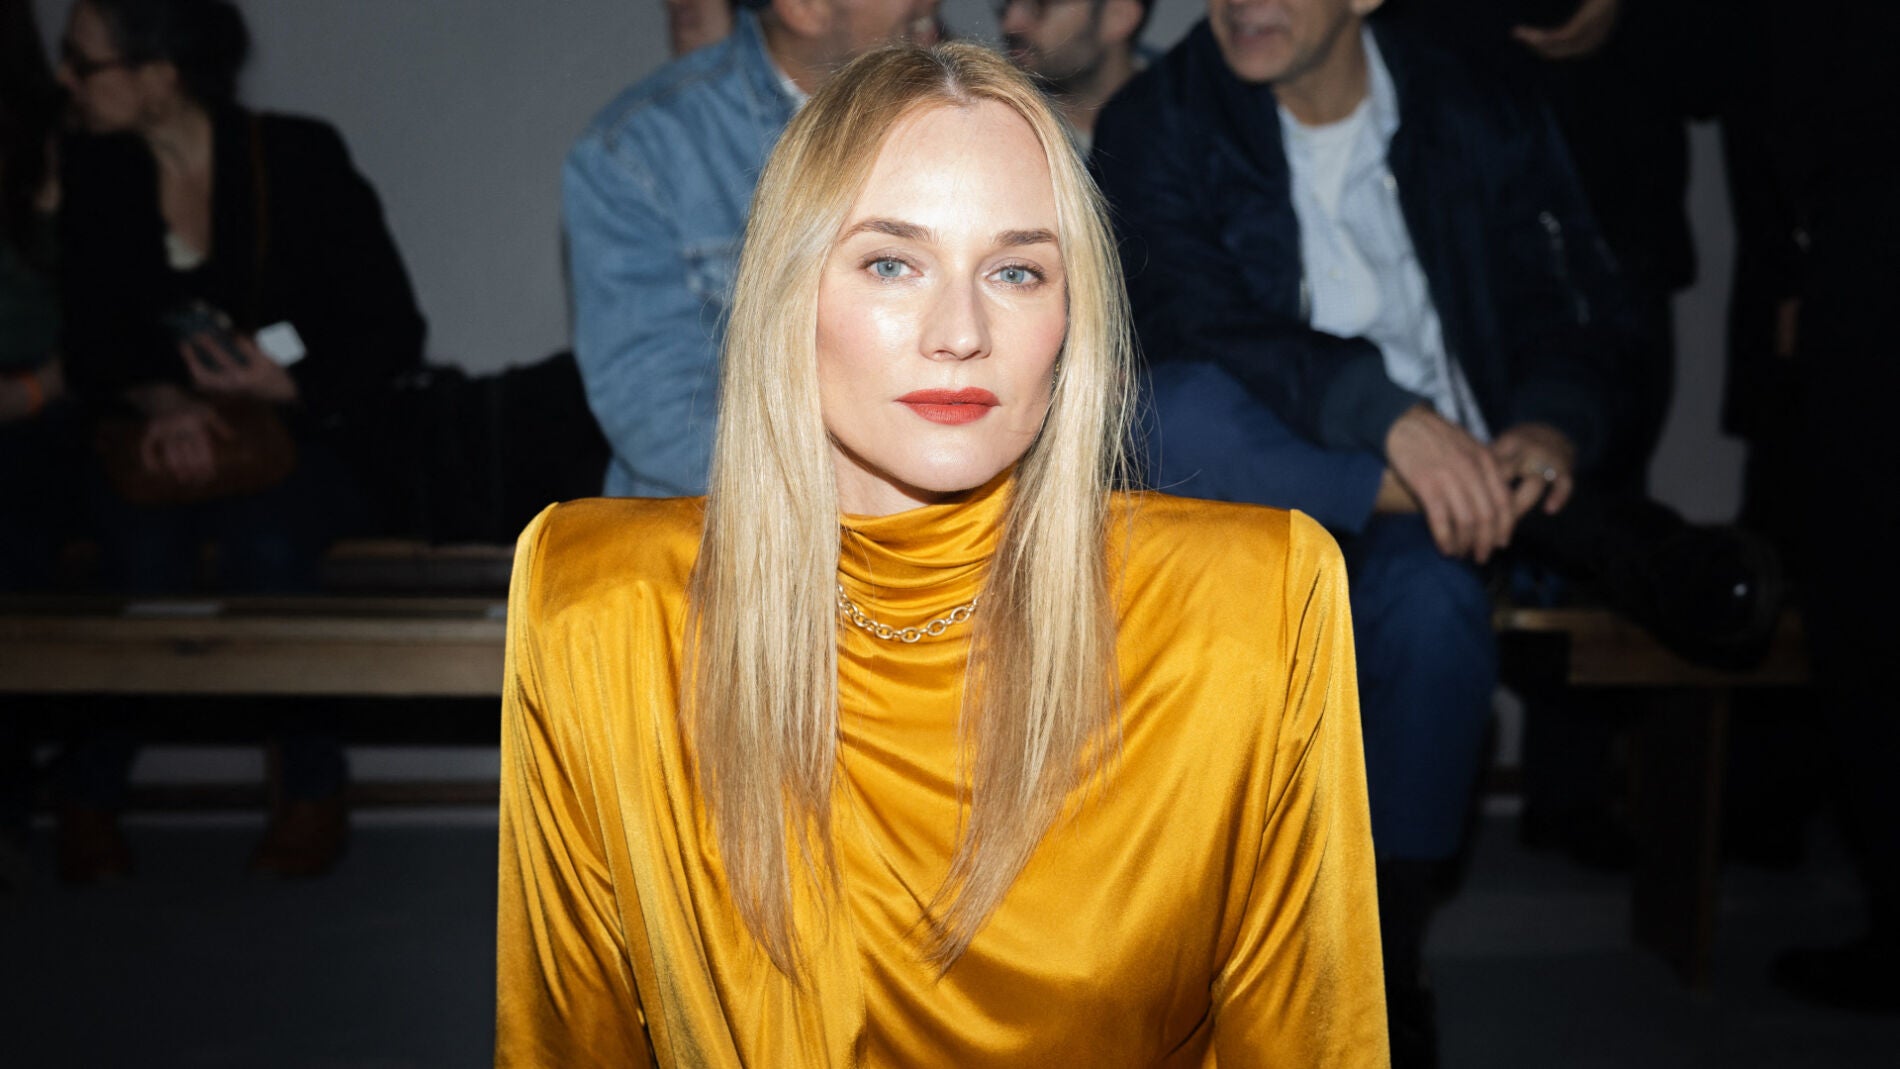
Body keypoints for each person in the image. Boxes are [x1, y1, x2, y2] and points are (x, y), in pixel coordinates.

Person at [498, 42, 1387, 1065]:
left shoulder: (1252, 612)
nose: (960, 332)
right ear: (791, 289)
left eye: (1016, 271)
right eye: (891, 263)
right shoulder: (600, 609)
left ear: (1072, 316)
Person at [1090, 0, 1777, 1062]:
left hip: (1452, 486)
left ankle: (1387, 955)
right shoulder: (1163, 116)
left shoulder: (1471, 99)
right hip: (1265, 486)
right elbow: (1190, 316)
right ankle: (1573, 529)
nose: (1241, 4)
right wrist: (1389, 423)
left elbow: (1575, 297)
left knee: (1432, 608)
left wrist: (1553, 420)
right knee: (1165, 411)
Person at [53, 0, 426, 881]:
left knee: (270, 542)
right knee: (137, 551)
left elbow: (390, 327)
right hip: (147, 443)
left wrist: (284, 383)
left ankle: (312, 789)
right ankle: (90, 791)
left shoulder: (294, 156)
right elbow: (91, 342)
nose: (65, 80)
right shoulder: (94, 173)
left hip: (290, 440)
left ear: (159, 76)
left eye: (84, 63)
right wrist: (161, 401)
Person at [566, 0, 942, 499]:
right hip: (723, 531)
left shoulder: (960, 116)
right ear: (804, 8)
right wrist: (855, 505)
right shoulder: (637, 150)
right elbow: (661, 415)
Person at [998, 0, 1154, 147]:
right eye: (1006, 4)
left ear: (1118, 16)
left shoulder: (1167, 123)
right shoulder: (1003, 123)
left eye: (1041, 5)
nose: (1010, 24)